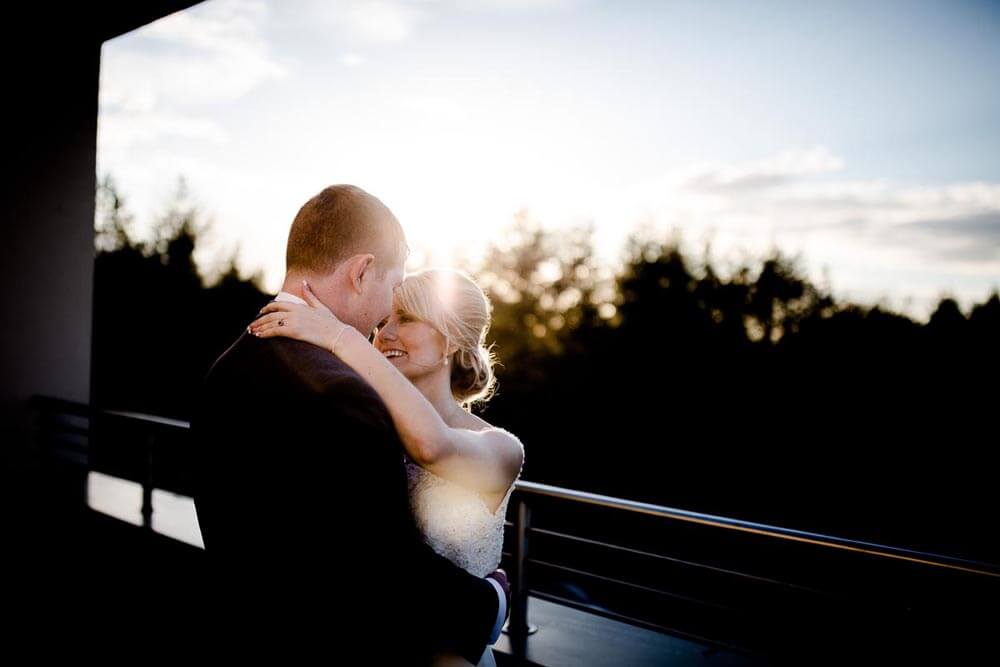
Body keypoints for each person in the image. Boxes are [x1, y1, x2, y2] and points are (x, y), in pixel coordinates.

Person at [191, 185, 510, 664]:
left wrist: (343, 340)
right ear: (361, 272)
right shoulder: (345, 394)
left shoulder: (227, 366)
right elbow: (381, 567)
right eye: (390, 290)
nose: (384, 324)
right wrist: (492, 603)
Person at [249, 267, 525, 667]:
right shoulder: (364, 430)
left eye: (407, 318)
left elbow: (432, 445)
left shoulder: (501, 448)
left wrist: (338, 336)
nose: (385, 334)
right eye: (382, 321)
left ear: (452, 339)